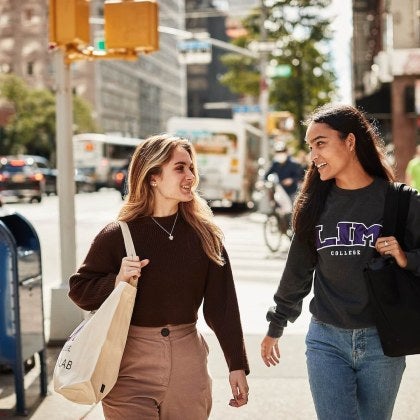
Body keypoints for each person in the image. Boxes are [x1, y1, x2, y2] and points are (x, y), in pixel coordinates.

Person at [68, 134, 249, 419]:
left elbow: (222, 306)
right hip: (128, 365)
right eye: (180, 168)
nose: (190, 176)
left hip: (187, 361)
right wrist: (116, 281)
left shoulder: (206, 236)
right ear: (153, 176)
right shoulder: (118, 234)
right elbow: (79, 290)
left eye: (191, 168)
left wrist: (236, 364)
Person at [260, 104, 420, 419]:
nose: (313, 155)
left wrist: (405, 257)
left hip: (382, 341)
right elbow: (298, 270)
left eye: (321, 143)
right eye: (310, 147)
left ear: (349, 142)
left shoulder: (401, 201)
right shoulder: (313, 205)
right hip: (326, 339)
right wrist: (276, 323)